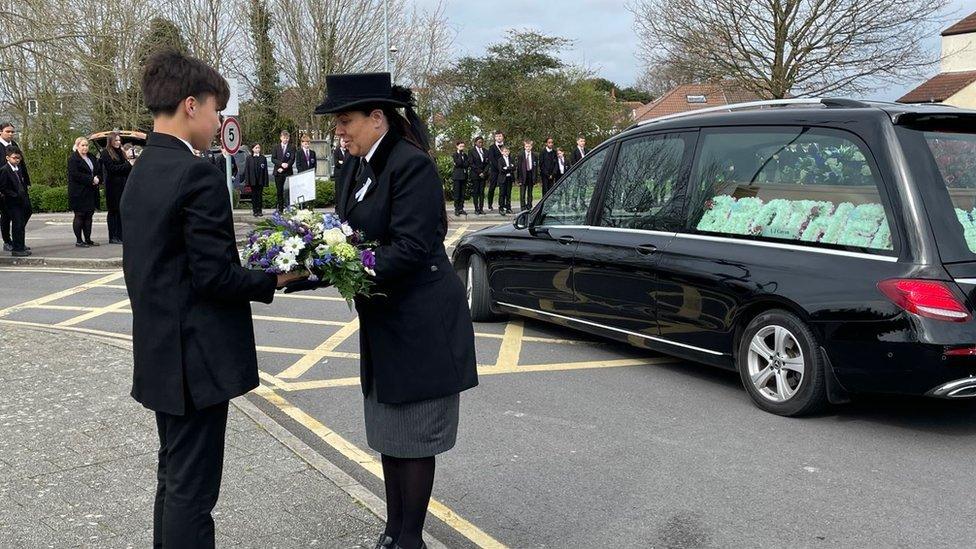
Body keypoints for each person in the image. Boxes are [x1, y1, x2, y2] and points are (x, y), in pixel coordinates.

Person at [121, 50, 303, 549]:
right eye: (216, 109)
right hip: (196, 360)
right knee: (193, 493)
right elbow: (214, 277)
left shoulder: (140, 171)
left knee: (173, 478)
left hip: (160, 353)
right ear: (190, 105)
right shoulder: (196, 174)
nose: (219, 120)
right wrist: (276, 279)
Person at [312, 72, 477, 549]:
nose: (338, 131)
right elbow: (346, 235)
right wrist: (307, 262)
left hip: (421, 322)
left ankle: (410, 538)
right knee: (389, 434)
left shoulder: (411, 166)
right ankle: (392, 530)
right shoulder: (358, 167)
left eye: (345, 121)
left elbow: (409, 248)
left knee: (415, 436)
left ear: (377, 118)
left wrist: (345, 263)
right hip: (386, 319)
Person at [67, 137, 101, 248]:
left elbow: (98, 170)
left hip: (91, 191)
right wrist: (91, 179)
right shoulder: (73, 159)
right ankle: (79, 240)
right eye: (82, 145)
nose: (85, 147)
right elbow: (75, 175)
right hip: (79, 192)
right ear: (77, 146)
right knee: (80, 215)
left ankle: (88, 239)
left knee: (89, 216)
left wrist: (98, 178)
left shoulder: (91, 156)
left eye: (86, 145)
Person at [99, 132, 132, 244]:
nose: (118, 142)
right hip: (112, 187)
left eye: (119, 140)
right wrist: (128, 165)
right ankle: (113, 236)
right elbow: (112, 169)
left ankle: (120, 235)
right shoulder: (105, 153)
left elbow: (124, 168)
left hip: (123, 185)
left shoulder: (121, 152)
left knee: (120, 211)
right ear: (111, 141)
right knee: (113, 211)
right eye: (116, 140)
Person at [0, 122, 29, 252]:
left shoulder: (14, 145)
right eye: (8, 131)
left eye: (12, 132)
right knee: (6, 216)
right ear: (1, 132)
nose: (11, 134)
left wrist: (26, 181)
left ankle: (18, 240)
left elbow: (21, 164)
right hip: (5, 186)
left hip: (18, 184)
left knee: (26, 212)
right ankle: (8, 241)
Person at [271, 130, 295, 212]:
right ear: (281, 138)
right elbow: (273, 159)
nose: (286, 139)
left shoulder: (291, 147)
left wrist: (285, 166)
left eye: (287, 138)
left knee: (288, 191)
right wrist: (281, 164)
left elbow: (292, 159)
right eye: (284, 138)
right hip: (278, 172)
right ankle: (280, 208)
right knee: (279, 191)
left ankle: (288, 207)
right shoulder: (276, 147)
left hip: (287, 172)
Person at [244, 143, 269, 217]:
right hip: (253, 180)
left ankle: (260, 210)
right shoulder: (249, 158)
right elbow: (247, 170)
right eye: (256, 148)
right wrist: (247, 181)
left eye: (258, 148)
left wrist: (265, 181)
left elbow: (265, 170)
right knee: (254, 196)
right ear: (252, 149)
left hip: (260, 180)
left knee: (260, 195)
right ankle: (255, 210)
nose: (258, 149)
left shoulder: (263, 158)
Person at [468, 137, 489, 215]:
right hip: (475, 174)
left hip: (483, 175)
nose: (481, 143)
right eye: (479, 142)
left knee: (481, 192)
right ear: (475, 142)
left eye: (482, 142)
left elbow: (488, 163)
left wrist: (484, 172)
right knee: (476, 192)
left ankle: (481, 208)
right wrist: (479, 172)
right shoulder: (471, 151)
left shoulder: (486, 151)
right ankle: (476, 208)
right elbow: (471, 163)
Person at [516, 139, 538, 212]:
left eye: (529, 146)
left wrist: (535, 178)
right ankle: (523, 207)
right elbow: (518, 167)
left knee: (530, 192)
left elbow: (536, 167)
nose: (528, 148)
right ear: (524, 147)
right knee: (522, 192)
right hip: (523, 175)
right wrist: (519, 179)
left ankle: (529, 205)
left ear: (531, 147)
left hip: (531, 174)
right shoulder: (520, 155)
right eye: (526, 146)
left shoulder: (534, 155)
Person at [486, 130, 504, 212]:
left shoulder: (505, 147)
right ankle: (490, 204)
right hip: (494, 171)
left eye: (500, 136)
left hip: (503, 171)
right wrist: (499, 167)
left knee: (502, 189)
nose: (498, 137)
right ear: (495, 137)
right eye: (497, 136)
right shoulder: (492, 147)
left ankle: (502, 205)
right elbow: (492, 160)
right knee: (492, 188)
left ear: (502, 137)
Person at [451, 140, 469, 217]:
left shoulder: (465, 155)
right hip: (457, 176)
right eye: (460, 146)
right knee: (457, 193)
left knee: (462, 193)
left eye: (463, 146)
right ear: (457, 146)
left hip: (464, 176)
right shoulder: (455, 155)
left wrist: (462, 163)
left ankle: (461, 208)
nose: (462, 148)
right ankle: (457, 209)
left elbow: (466, 164)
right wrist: (460, 156)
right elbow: (458, 163)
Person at [496, 145, 515, 215]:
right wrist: (509, 168)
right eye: (504, 151)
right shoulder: (500, 160)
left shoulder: (511, 159)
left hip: (509, 178)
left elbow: (514, 167)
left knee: (508, 194)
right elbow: (501, 169)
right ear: (502, 152)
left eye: (507, 151)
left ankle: (508, 208)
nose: (506, 152)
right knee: (502, 194)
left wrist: (506, 168)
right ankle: (501, 208)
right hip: (502, 179)